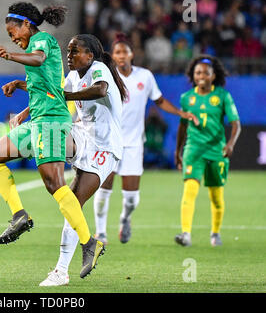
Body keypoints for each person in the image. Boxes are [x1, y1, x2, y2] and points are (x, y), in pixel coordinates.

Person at [0, 2, 102, 279]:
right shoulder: (32, 48)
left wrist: (11, 56)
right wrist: (20, 86)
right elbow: (47, 82)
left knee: (54, 184)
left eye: (13, 30)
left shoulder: (42, 40)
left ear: (26, 24)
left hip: (52, 121)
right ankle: (19, 216)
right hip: (37, 120)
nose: (12, 36)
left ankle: (90, 243)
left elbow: (38, 60)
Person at [37, 34, 126, 286]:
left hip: (105, 146)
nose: (69, 55)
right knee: (48, 129)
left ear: (90, 55)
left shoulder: (98, 70)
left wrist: (64, 96)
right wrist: (26, 111)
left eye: (75, 51)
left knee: (73, 204)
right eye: (68, 50)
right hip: (83, 135)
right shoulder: (74, 76)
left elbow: (100, 90)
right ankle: (21, 152)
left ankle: (61, 271)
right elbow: (57, 97)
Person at [92, 33, 198, 246]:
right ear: (112, 56)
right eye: (117, 52)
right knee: (104, 190)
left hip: (133, 144)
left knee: (131, 199)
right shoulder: (106, 76)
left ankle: (125, 218)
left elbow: (159, 100)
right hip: (107, 142)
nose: (121, 55)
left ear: (132, 54)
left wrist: (180, 113)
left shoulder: (145, 77)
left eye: (125, 51)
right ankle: (100, 232)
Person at [174, 55, 241, 247]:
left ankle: (215, 233)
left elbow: (236, 124)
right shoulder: (186, 98)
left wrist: (230, 144)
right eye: (197, 72)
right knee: (189, 190)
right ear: (193, 76)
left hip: (216, 150)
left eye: (205, 72)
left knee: (216, 196)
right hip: (193, 150)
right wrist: (177, 151)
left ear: (213, 76)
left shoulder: (222, 96)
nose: (201, 75)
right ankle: (185, 233)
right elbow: (183, 127)